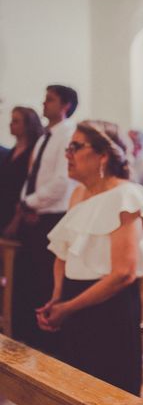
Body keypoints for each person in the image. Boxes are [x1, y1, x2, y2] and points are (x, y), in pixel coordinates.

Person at [38, 120, 143, 405]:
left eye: (76, 147)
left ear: (104, 155)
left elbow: (123, 272)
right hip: (75, 307)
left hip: (108, 311)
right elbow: (64, 253)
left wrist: (68, 307)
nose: (68, 154)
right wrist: (56, 299)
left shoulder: (126, 196)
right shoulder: (78, 194)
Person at [11, 85, 77, 352]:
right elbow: (33, 176)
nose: (44, 103)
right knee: (26, 282)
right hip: (35, 215)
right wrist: (26, 203)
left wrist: (30, 202)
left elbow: (62, 181)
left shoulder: (69, 134)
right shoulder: (44, 138)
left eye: (50, 99)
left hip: (53, 216)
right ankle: (26, 340)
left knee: (44, 283)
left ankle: (45, 344)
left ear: (65, 105)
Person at [0, 106, 44, 232]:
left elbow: (29, 184)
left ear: (27, 125)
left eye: (16, 121)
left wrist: (18, 217)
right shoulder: (10, 152)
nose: (11, 124)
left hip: (17, 208)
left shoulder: (33, 151)